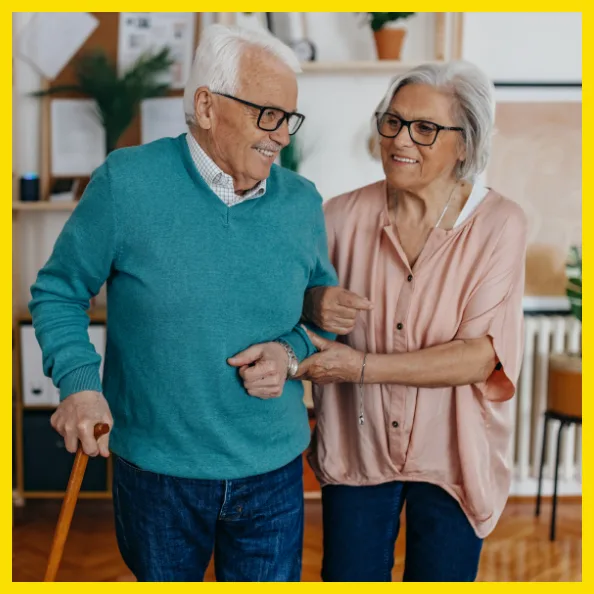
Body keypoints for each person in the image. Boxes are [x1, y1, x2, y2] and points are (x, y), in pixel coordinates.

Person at [28, 24, 336, 582]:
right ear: (207, 105)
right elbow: (58, 290)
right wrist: (79, 384)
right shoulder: (126, 183)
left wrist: (289, 351)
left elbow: (320, 315)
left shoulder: (302, 202)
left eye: (289, 119)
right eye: (269, 114)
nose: (282, 135)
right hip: (157, 473)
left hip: (272, 469)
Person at [297, 61, 528, 582]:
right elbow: (289, 301)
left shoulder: (498, 224)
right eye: (393, 121)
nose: (401, 139)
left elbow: (479, 355)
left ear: (465, 144)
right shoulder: (336, 216)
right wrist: (313, 303)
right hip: (360, 447)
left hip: (453, 456)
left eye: (426, 129)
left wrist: (359, 366)